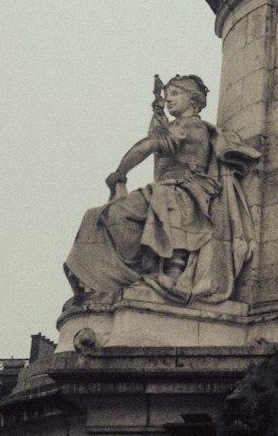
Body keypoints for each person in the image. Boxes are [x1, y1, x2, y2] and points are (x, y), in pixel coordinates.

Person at [64, 76, 259, 306]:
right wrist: (158, 114)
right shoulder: (179, 126)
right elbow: (158, 140)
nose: (169, 99)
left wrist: (120, 173)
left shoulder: (189, 125)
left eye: (176, 94)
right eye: (167, 95)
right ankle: (128, 277)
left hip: (183, 192)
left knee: (110, 215)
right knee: (101, 215)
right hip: (168, 190)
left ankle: (143, 276)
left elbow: (149, 145)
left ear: (193, 100)